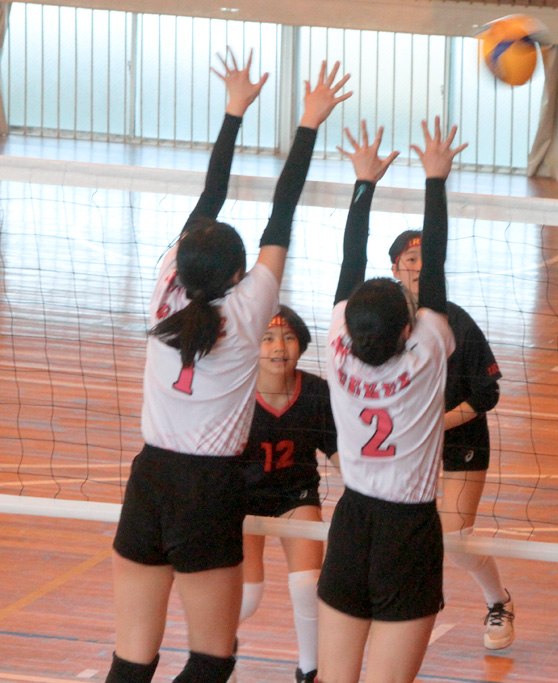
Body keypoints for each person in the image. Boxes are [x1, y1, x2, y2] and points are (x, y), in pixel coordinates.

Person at [105, 52, 349, 683]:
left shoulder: (165, 290)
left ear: (183, 263)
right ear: (239, 274)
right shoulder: (248, 313)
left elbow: (209, 197)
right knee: (212, 661)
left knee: (131, 658)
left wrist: (233, 109)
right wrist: (309, 121)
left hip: (149, 479)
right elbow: (282, 211)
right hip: (209, 488)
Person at [317, 118, 466, 683]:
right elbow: (437, 265)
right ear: (407, 330)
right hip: (409, 531)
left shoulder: (338, 347)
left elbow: (348, 265)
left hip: (351, 521)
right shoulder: (427, 351)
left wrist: (365, 183)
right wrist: (436, 179)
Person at [386, 230, 512, 650]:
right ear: (395, 268)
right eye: (411, 259)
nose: (419, 267)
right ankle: (397, 609)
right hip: (402, 443)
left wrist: (434, 424)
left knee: (455, 539)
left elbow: (486, 394)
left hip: (459, 436)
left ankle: (498, 601)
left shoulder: (457, 322)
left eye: (427, 258)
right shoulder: (382, 320)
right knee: (397, 531)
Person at [237, 305, 337, 683]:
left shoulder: (315, 392)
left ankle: (310, 670)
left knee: (308, 586)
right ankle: (217, 650)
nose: (279, 347)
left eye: (289, 337)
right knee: (248, 597)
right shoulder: (236, 391)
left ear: (301, 344)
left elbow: (340, 453)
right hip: (242, 501)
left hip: (295, 495)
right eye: (267, 338)